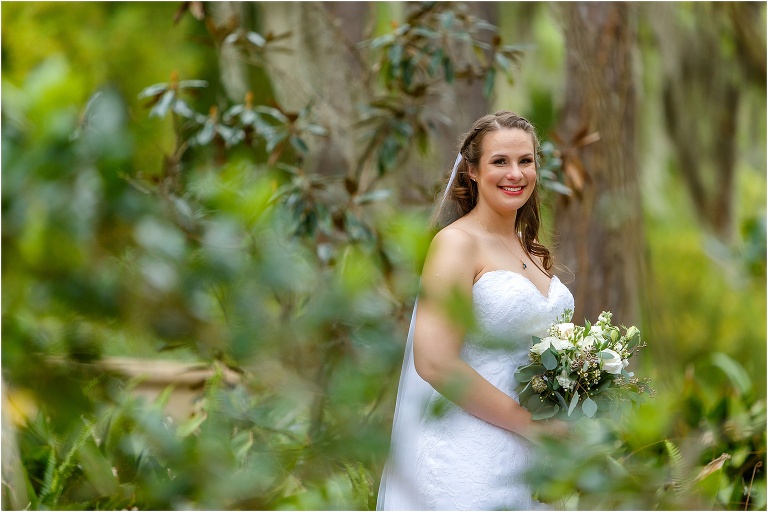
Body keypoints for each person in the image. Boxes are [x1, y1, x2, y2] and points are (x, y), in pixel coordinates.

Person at [377, 111, 575, 510]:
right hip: (467, 456)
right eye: (499, 161)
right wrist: (532, 425)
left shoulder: (533, 253)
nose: (515, 174)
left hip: (530, 462)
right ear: (471, 170)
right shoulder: (456, 244)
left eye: (525, 161)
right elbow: (434, 362)